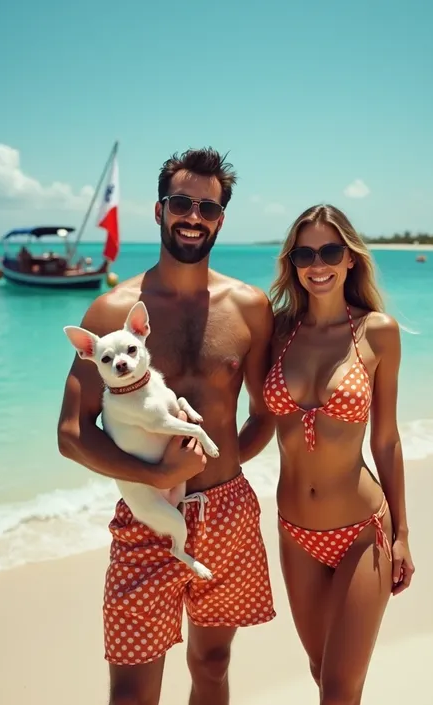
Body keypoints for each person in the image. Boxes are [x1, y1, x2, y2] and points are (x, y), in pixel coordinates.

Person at [57, 147, 276, 705]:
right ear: (158, 211)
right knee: (131, 688)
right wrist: (155, 476)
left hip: (228, 512)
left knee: (213, 661)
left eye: (208, 207)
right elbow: (72, 432)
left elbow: (265, 411)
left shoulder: (249, 307)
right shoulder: (112, 312)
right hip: (145, 517)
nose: (193, 216)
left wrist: (225, 462)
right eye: (181, 202)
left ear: (221, 218)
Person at [263, 204, 415, 704]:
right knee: (318, 668)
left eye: (330, 250)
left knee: (338, 690)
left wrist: (403, 536)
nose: (317, 263)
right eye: (305, 252)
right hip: (294, 531)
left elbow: (386, 440)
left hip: (361, 532)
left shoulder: (378, 332)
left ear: (350, 258)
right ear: (293, 262)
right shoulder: (277, 331)